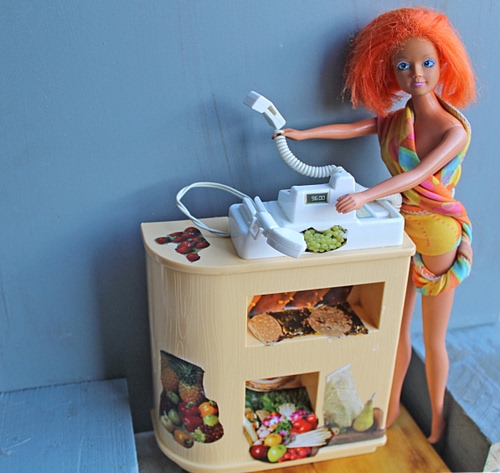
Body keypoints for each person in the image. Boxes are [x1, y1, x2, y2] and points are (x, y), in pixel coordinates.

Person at [277, 7, 476, 443]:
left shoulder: (454, 130)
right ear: (390, 72)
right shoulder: (397, 122)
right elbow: (355, 128)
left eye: (427, 63)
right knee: (396, 329)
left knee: (433, 337)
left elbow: (418, 175)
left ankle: (438, 418)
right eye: (403, 66)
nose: (416, 74)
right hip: (401, 230)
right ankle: (392, 402)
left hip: (437, 233)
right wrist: (304, 136)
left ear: (444, 64)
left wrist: (366, 195)